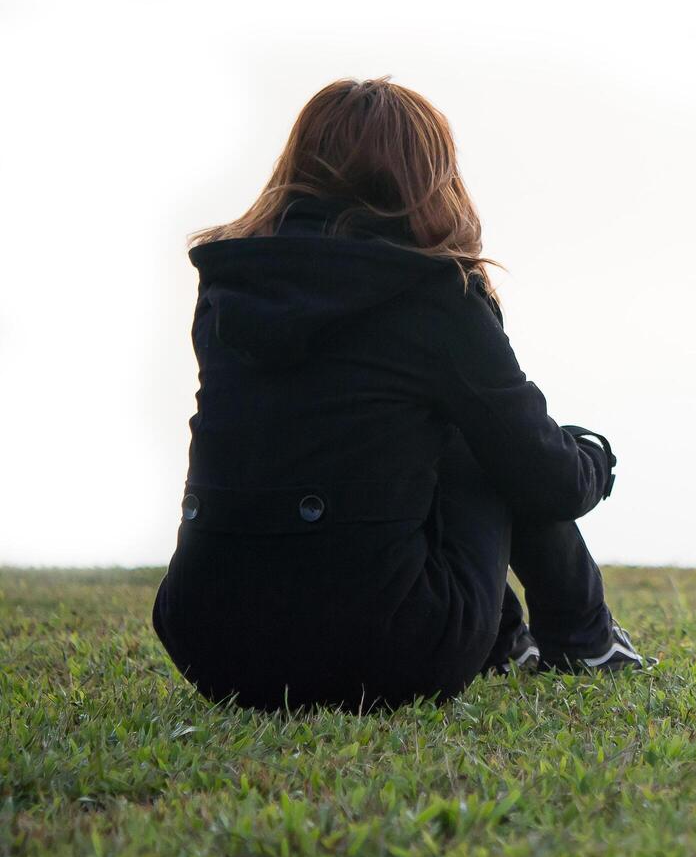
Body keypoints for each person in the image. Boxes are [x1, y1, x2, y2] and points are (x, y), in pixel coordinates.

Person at [151, 76, 654, 713]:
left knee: (411, 428)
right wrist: (591, 456)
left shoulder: (230, 287)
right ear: (426, 176)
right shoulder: (434, 294)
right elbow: (542, 476)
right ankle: (584, 641)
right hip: (388, 648)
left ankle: (509, 642)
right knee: (490, 436)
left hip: (210, 642)